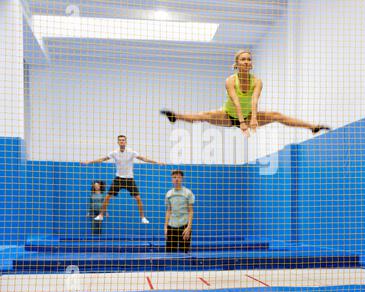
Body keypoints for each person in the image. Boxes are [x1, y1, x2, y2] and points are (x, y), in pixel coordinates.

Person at [161, 49, 331, 137]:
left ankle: (312, 127)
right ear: (237, 63)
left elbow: (254, 101)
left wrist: (254, 120)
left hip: (250, 115)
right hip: (228, 116)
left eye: (249, 59)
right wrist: (241, 123)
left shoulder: (257, 81)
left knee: (276, 115)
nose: (246, 62)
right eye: (243, 59)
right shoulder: (230, 80)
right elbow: (235, 102)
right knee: (205, 115)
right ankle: (176, 117)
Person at [81, 135, 163, 224]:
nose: (122, 142)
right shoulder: (114, 153)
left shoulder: (131, 152)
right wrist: (88, 162)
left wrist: (156, 162)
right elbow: (102, 159)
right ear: (118, 142)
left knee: (138, 199)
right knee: (107, 197)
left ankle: (143, 217)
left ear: (126, 142)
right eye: (120, 140)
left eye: (123, 140)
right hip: (119, 178)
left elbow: (143, 158)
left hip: (129, 179)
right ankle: (101, 215)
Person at [164, 170, 195, 253]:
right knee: (170, 254)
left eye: (178, 177)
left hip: (184, 227)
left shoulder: (188, 193)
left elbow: (191, 211)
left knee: (184, 253)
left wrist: (189, 227)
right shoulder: (169, 194)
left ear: (182, 179)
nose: (176, 179)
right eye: (174, 177)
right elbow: (168, 211)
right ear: (172, 179)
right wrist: (166, 227)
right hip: (171, 227)